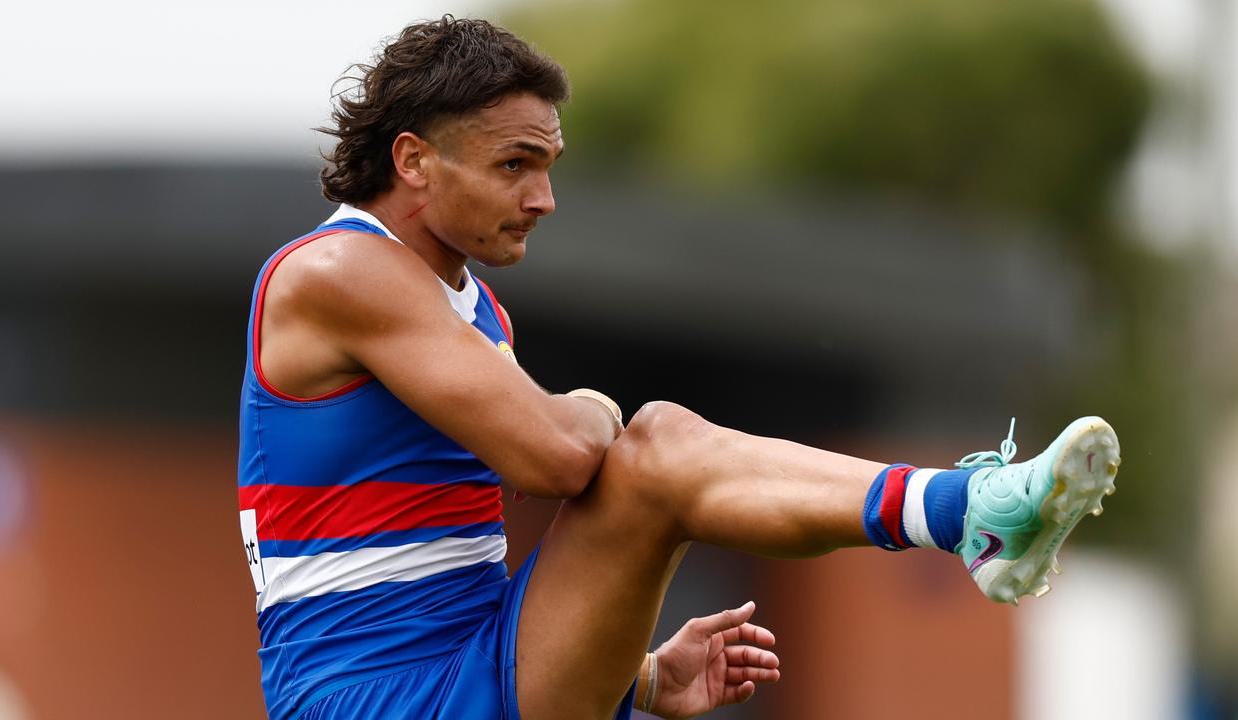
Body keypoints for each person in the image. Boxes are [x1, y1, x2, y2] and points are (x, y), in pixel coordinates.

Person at [236, 16, 1121, 720]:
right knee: (648, 443)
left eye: (547, 166)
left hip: (476, 657)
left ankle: (967, 514)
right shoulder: (341, 272)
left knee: (657, 445)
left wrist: (646, 677)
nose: (542, 198)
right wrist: (587, 404)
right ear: (414, 160)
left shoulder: (469, 302)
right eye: (515, 165)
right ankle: (968, 513)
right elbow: (556, 459)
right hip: (368, 700)